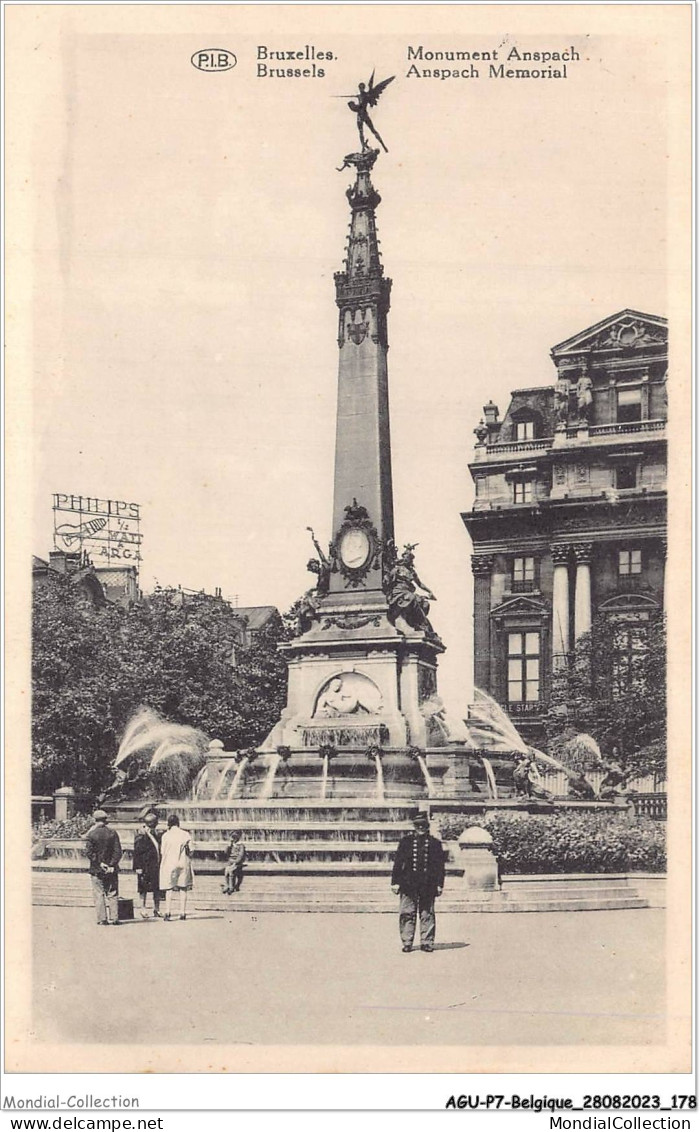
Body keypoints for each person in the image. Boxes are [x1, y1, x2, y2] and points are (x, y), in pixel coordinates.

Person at [391, 811, 445, 953]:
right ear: (414, 826)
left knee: (427, 913)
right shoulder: (405, 842)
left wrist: (439, 884)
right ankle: (407, 941)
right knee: (406, 912)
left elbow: (440, 866)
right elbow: (398, 863)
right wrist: (395, 882)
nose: (420, 828)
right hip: (408, 883)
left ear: (427, 826)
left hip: (428, 883)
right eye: (418, 825)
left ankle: (427, 942)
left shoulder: (435, 843)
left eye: (423, 825)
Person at [84, 809, 122, 926]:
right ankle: (114, 918)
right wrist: (111, 864)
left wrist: (100, 863)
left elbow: (89, 853)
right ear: (106, 820)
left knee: (99, 894)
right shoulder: (112, 833)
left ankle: (102, 919)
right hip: (111, 869)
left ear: (95, 820)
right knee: (112, 893)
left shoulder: (91, 834)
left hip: (97, 869)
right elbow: (118, 851)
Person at [159, 814, 193, 921]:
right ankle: (182, 912)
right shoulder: (185, 834)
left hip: (169, 863)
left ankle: (167, 912)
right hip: (182, 861)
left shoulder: (165, 835)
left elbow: (162, 851)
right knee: (183, 888)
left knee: (169, 888)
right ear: (178, 823)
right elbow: (191, 850)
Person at [132, 811, 162, 919]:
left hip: (155, 865)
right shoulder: (141, 835)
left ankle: (156, 909)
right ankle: (143, 909)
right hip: (144, 865)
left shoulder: (157, 833)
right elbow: (136, 852)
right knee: (143, 888)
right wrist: (137, 867)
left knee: (157, 888)